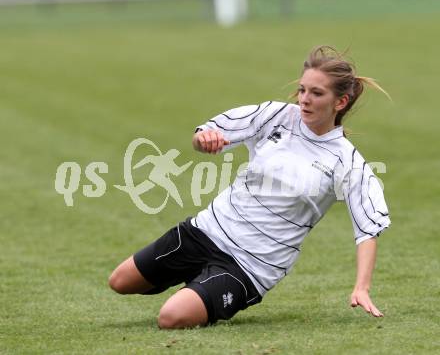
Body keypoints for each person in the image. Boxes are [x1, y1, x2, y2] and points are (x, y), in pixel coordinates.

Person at [108, 46, 391, 329]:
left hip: (249, 264)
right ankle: (197, 284)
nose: (304, 99)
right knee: (119, 282)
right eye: (303, 90)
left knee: (171, 318)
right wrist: (204, 140)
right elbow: (207, 132)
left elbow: (368, 229)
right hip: (207, 230)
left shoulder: (347, 161)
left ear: (339, 102)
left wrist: (361, 287)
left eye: (316, 93)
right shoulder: (276, 116)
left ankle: (203, 291)